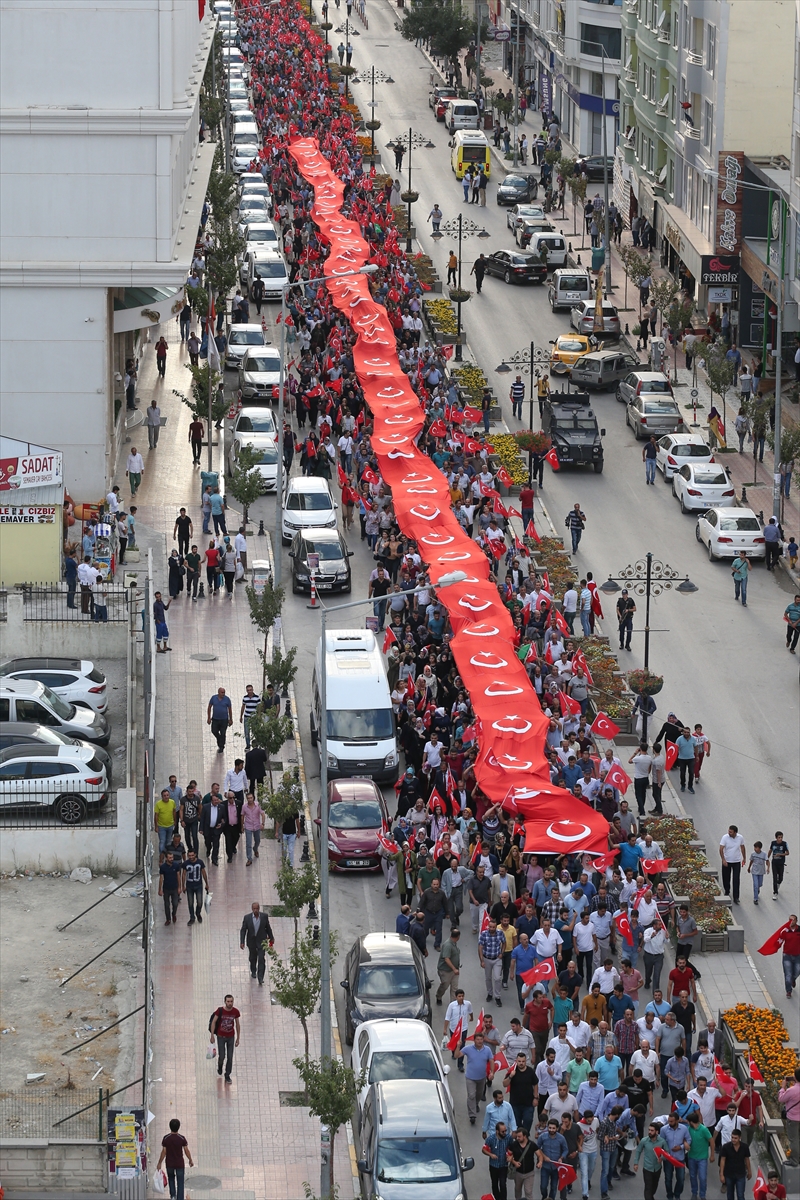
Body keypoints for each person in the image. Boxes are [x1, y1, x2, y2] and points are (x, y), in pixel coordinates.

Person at [457, 1029, 494, 1124]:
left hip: (482, 1077)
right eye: (478, 1039)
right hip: (470, 1077)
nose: (480, 1041)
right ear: (474, 1040)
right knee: (471, 1095)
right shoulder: (468, 1049)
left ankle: (476, 1104)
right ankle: (472, 1115)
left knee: (479, 1095)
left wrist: (492, 1072)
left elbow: (491, 1061)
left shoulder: (487, 1050)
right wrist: (458, 1046)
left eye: (481, 1039)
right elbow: (457, 1055)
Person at [156, 1117, 194, 1200]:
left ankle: (173, 1196)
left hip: (169, 1163)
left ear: (170, 1127)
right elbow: (186, 1150)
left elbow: (164, 1152)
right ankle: (180, 1198)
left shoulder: (166, 1138)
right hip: (179, 1164)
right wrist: (190, 1160)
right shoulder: (182, 1138)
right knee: (180, 1182)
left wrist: (159, 1163)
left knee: (171, 1179)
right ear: (179, 1127)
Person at [240, 901, 274, 985]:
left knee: (261, 959)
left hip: (261, 941)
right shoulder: (247, 918)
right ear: (252, 909)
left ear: (259, 909)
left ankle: (260, 977)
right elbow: (243, 930)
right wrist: (242, 941)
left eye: (257, 908)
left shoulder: (264, 917)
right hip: (251, 941)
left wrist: (271, 938)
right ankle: (253, 970)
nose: (255, 910)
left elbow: (268, 928)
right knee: (253, 957)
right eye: (254, 908)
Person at [633, 1122, 669, 1200]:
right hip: (647, 1168)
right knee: (648, 1187)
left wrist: (662, 1158)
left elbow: (667, 1153)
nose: (649, 1132)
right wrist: (636, 1163)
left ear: (657, 1132)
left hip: (657, 1168)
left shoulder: (662, 1141)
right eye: (649, 1130)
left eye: (652, 1130)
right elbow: (638, 1151)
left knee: (654, 1186)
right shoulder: (644, 1141)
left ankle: (650, 1196)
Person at [210, 994, 240, 1083]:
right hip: (221, 1037)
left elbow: (237, 1024)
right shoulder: (220, 1011)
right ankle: (220, 1066)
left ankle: (227, 1075)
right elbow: (213, 1022)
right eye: (228, 1001)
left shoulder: (235, 1011)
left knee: (230, 1057)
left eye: (231, 1001)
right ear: (225, 1002)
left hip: (231, 1037)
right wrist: (212, 1035)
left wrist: (238, 1038)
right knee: (222, 1056)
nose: (230, 1003)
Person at [536, 1119, 569, 1200]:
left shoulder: (561, 1138)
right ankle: (544, 1197)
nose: (551, 1130)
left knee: (554, 1187)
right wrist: (543, 1156)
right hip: (545, 1166)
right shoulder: (542, 1137)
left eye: (553, 1128)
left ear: (557, 1128)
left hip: (556, 1167)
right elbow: (537, 1148)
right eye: (550, 1128)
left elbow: (566, 1150)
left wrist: (561, 1158)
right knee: (543, 1186)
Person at [686, 1110, 714, 1200]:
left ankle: (702, 1195)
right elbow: (684, 1137)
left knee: (702, 1178)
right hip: (691, 1157)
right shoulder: (688, 1129)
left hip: (702, 1158)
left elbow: (711, 1141)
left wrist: (712, 1154)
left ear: (691, 1122)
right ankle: (694, 1193)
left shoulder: (703, 1129)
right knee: (693, 1176)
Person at [483, 1119, 512, 1200]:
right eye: (502, 1131)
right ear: (497, 1131)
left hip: (503, 1165)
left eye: (505, 1131)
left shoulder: (508, 1138)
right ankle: (496, 1198)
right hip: (493, 1165)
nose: (504, 1133)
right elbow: (484, 1149)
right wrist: (490, 1154)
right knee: (494, 1184)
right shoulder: (491, 1139)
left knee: (503, 1184)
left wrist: (510, 1156)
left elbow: (512, 1148)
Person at [718, 1129, 751, 1200]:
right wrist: (721, 1174)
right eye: (732, 1137)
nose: (733, 1139)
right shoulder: (726, 1147)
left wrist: (749, 1171)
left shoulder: (745, 1147)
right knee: (730, 1195)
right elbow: (722, 1160)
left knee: (740, 1195)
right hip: (729, 1175)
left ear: (740, 1138)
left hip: (741, 1174)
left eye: (735, 1138)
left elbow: (747, 1159)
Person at [508, 1125, 538, 1199]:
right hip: (518, 1172)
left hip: (529, 1173)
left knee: (528, 1191)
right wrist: (514, 1162)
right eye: (517, 1136)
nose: (517, 1138)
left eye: (519, 1137)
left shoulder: (532, 1145)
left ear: (525, 1136)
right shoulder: (513, 1145)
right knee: (517, 1190)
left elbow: (539, 1154)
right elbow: (508, 1157)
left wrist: (540, 1162)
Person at [718, 825, 746, 904]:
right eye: (728, 831)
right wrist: (723, 860)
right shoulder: (725, 837)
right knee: (726, 877)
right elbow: (721, 849)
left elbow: (742, 847)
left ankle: (736, 897)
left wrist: (744, 858)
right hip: (727, 861)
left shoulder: (740, 838)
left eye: (731, 832)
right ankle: (727, 890)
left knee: (736, 879)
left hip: (736, 861)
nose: (729, 833)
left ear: (735, 832)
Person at [778, 1067, 800, 1160]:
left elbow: (781, 1099)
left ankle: (794, 1160)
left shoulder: (792, 1090)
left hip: (793, 1119)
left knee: (794, 1140)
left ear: (795, 1077)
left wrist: (783, 1087)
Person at [436, 926, 461, 1003]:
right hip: (445, 970)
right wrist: (454, 969)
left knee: (454, 987)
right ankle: (438, 996)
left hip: (454, 970)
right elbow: (446, 958)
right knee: (445, 985)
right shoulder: (448, 945)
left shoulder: (453, 943)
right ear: (458, 937)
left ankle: (453, 1003)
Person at [183, 849, 207, 924]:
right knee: (190, 903)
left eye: (192, 855)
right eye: (189, 855)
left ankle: (198, 913)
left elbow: (203, 873)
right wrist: (183, 885)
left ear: (195, 855)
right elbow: (183, 874)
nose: (191, 857)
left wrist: (207, 884)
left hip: (198, 885)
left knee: (199, 902)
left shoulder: (200, 862)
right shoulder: (185, 864)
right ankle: (192, 917)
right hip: (189, 886)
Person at [158, 851, 182, 925]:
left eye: (172, 857)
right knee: (166, 904)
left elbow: (178, 876)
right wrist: (160, 889)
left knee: (175, 903)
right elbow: (161, 878)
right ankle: (168, 919)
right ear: (166, 858)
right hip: (166, 888)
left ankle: (174, 913)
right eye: (170, 858)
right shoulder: (163, 867)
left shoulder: (176, 865)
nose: (171, 859)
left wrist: (179, 887)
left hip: (174, 888)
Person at [207, 687, 233, 753]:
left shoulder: (227, 699)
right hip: (215, 719)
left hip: (224, 719)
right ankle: (219, 739)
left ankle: (221, 746)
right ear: (218, 692)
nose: (223, 694)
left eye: (224, 692)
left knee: (223, 733)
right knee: (214, 731)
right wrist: (209, 717)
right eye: (222, 692)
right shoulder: (213, 698)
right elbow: (209, 707)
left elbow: (229, 709)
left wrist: (230, 719)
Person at [767, 831, 789, 898]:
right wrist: (767, 858)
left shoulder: (784, 844)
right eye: (779, 837)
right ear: (776, 838)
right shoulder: (773, 843)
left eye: (781, 837)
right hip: (774, 863)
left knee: (780, 878)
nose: (780, 839)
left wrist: (780, 854)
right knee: (774, 877)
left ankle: (778, 883)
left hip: (781, 863)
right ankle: (775, 892)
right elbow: (770, 850)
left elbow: (787, 853)